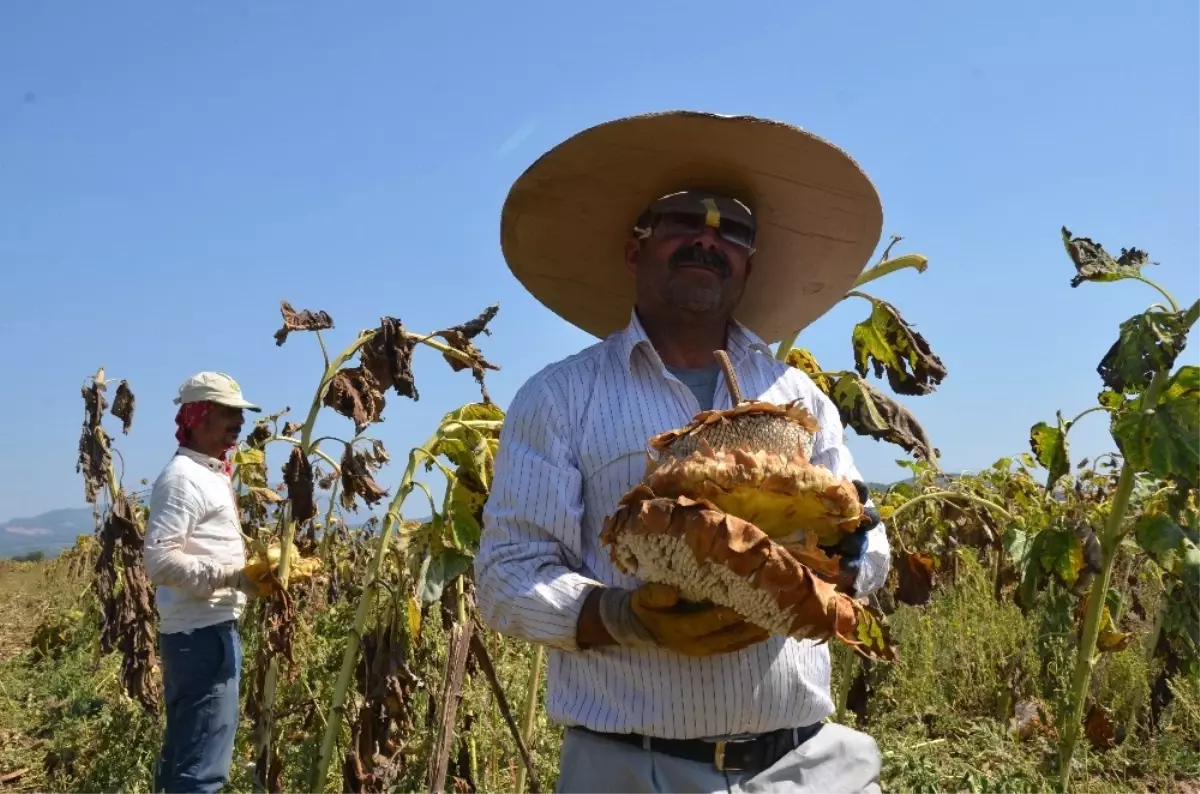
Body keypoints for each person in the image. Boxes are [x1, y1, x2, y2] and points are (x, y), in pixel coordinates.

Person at [474, 111, 892, 793]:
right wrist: (621, 616)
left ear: (749, 264)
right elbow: (506, 577)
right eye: (681, 224)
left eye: (732, 232)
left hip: (803, 764)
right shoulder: (560, 398)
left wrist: (835, 569)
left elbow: (867, 542)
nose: (707, 239)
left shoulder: (801, 397)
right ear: (635, 250)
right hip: (633, 767)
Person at [143, 372, 277, 794]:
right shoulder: (183, 478)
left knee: (187, 756)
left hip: (206, 632)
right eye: (227, 413)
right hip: (200, 636)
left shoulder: (210, 473)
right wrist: (233, 577)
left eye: (241, 414)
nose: (239, 422)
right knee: (202, 772)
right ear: (198, 416)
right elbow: (160, 561)